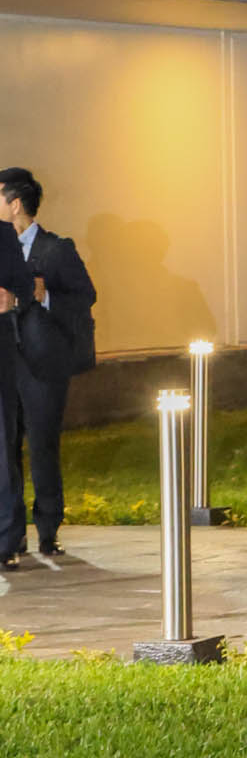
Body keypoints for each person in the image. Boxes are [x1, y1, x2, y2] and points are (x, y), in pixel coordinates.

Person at [0, 170, 96, 569]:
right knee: (6, 449)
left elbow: (86, 295)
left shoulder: (56, 249)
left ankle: (49, 528)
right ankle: (11, 534)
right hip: (8, 361)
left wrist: (46, 293)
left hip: (43, 364)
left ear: (15, 203)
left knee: (42, 446)